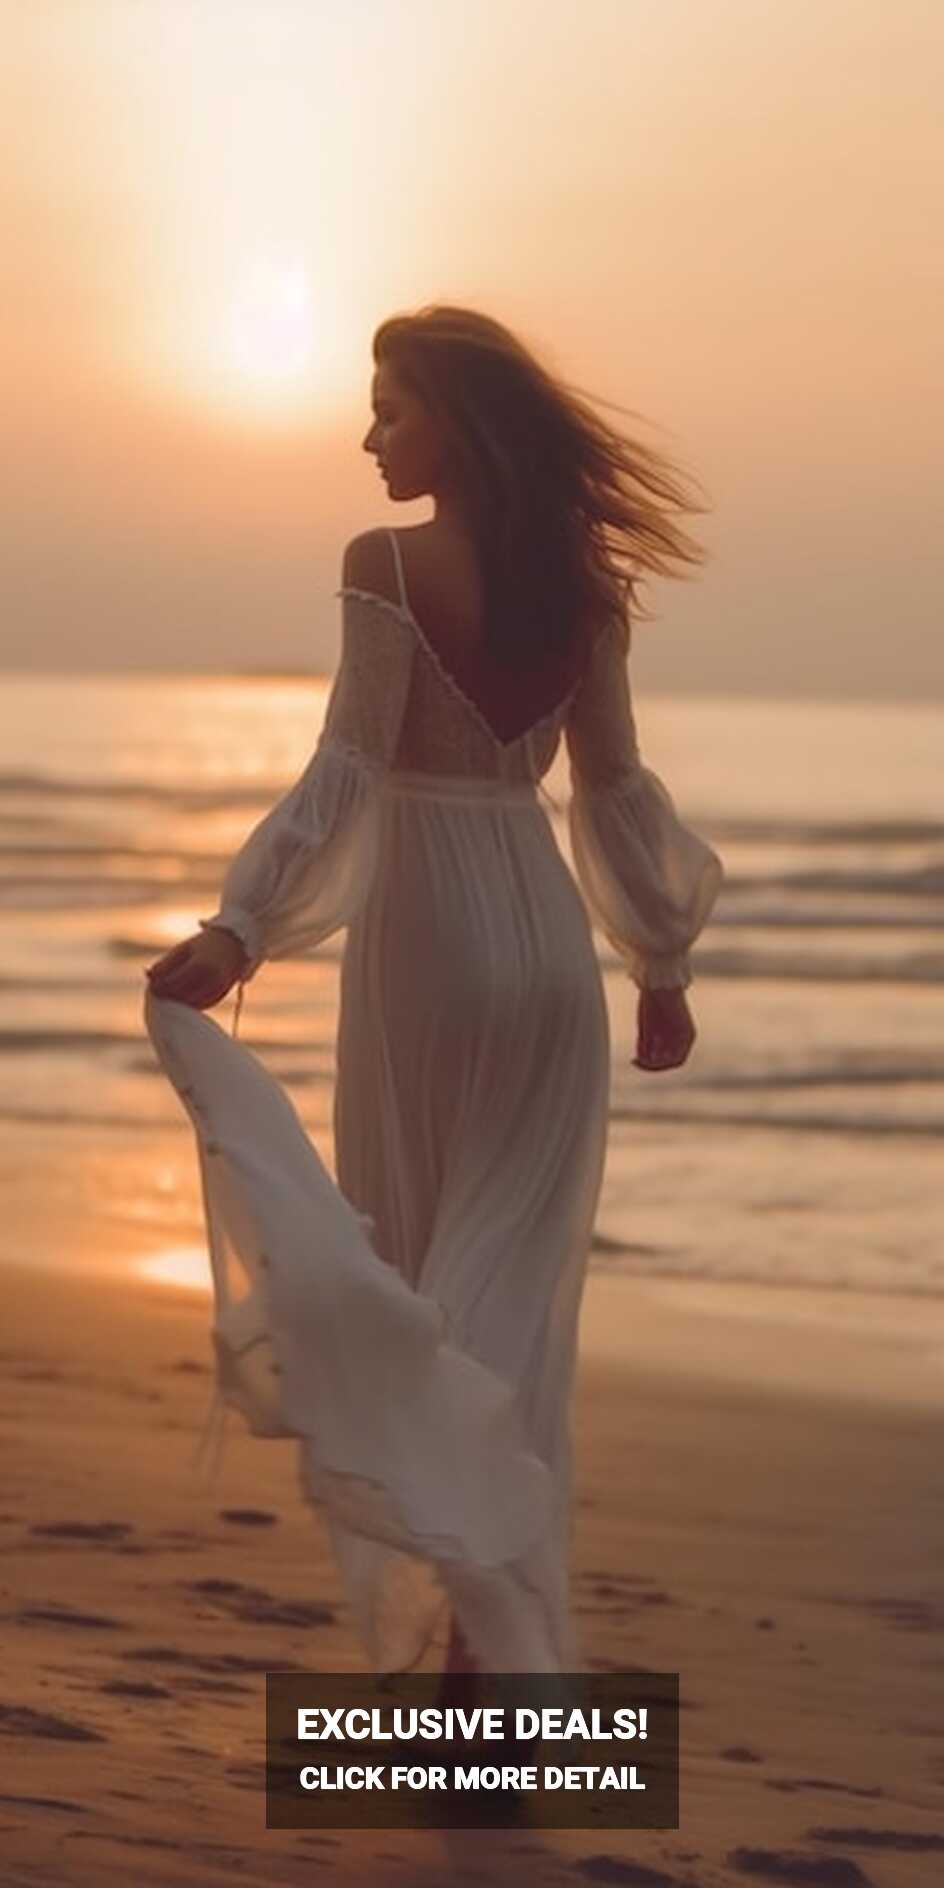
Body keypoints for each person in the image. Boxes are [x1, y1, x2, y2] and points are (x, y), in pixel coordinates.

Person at [144, 304, 724, 1702]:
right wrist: (658, 961)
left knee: (420, 1297)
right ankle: (487, 1660)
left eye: (390, 408)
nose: (368, 436)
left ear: (453, 422)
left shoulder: (386, 565)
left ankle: (474, 1652)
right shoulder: (582, 586)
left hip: (429, 953)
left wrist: (240, 925)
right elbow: (616, 791)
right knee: (513, 1312)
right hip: (543, 962)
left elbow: (348, 768)